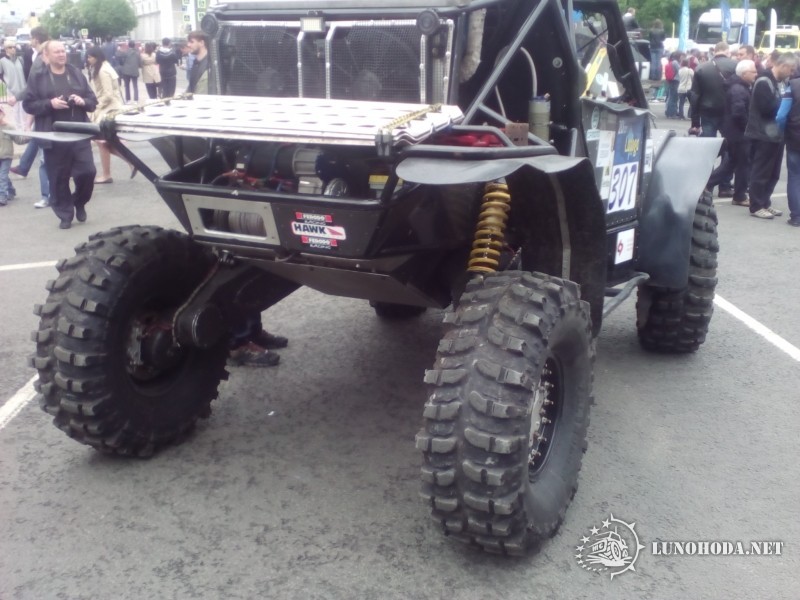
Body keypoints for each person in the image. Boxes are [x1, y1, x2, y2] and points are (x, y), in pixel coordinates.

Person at [22, 41, 98, 229]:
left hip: (79, 133)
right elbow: (28, 105)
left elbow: (92, 101)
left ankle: (79, 201)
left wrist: (82, 101)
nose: (61, 54)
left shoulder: (76, 73)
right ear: (46, 56)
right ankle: (65, 214)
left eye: (63, 51)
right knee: (58, 178)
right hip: (53, 136)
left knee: (88, 172)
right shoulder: (38, 77)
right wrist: (50, 104)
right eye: (56, 52)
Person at [744, 52, 798, 219]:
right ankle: (756, 205)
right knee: (761, 171)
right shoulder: (763, 81)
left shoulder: (781, 82)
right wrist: (787, 104)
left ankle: (765, 202)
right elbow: (766, 108)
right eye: (791, 69)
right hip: (763, 134)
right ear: (783, 65)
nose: (792, 73)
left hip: (776, 134)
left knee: (773, 173)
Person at [706, 59, 758, 206]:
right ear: (744, 73)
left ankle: (707, 184)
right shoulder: (738, 89)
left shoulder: (739, 87)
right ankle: (739, 196)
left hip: (735, 132)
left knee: (732, 163)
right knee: (741, 164)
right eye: (753, 71)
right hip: (739, 133)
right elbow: (738, 113)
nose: (756, 74)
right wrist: (748, 127)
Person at [11, 28, 51, 209]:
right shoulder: (36, 54)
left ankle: (49, 195)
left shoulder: (42, 56)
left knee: (45, 158)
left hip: (47, 111)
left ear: (36, 38)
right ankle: (24, 167)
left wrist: (17, 97)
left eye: (30, 38)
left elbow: (32, 86)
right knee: (40, 144)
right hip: (43, 110)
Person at [86, 46, 135, 184]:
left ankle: (108, 174)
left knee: (102, 141)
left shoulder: (102, 70)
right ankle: (129, 163)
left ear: (96, 57)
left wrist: (95, 107)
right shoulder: (104, 67)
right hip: (110, 108)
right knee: (105, 142)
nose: (88, 60)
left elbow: (107, 95)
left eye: (90, 57)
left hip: (107, 109)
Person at [784, 70, 800, 227]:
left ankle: (797, 216)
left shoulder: (793, 86)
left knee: (795, 176)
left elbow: (781, 115)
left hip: (795, 136)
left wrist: (784, 130)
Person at [0, 39, 27, 129]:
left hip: (23, 89)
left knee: (24, 111)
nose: (13, 49)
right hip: (12, 90)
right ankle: (18, 130)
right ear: (6, 49)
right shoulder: (2, 61)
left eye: (14, 47)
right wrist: (7, 83)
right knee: (16, 112)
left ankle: (25, 130)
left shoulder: (20, 59)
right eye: (10, 47)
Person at [0, 106, 18, 205]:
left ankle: (2, 197)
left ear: (3, 114)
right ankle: (11, 190)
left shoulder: (9, 127)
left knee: (2, 176)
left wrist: (29, 137)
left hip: (6, 156)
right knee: (3, 176)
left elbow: (18, 139)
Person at [664, 51, 681, 118]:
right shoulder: (675, 62)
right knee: (674, 98)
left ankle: (669, 112)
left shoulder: (672, 62)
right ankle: (672, 113)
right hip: (675, 81)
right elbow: (679, 70)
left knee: (671, 97)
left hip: (672, 80)